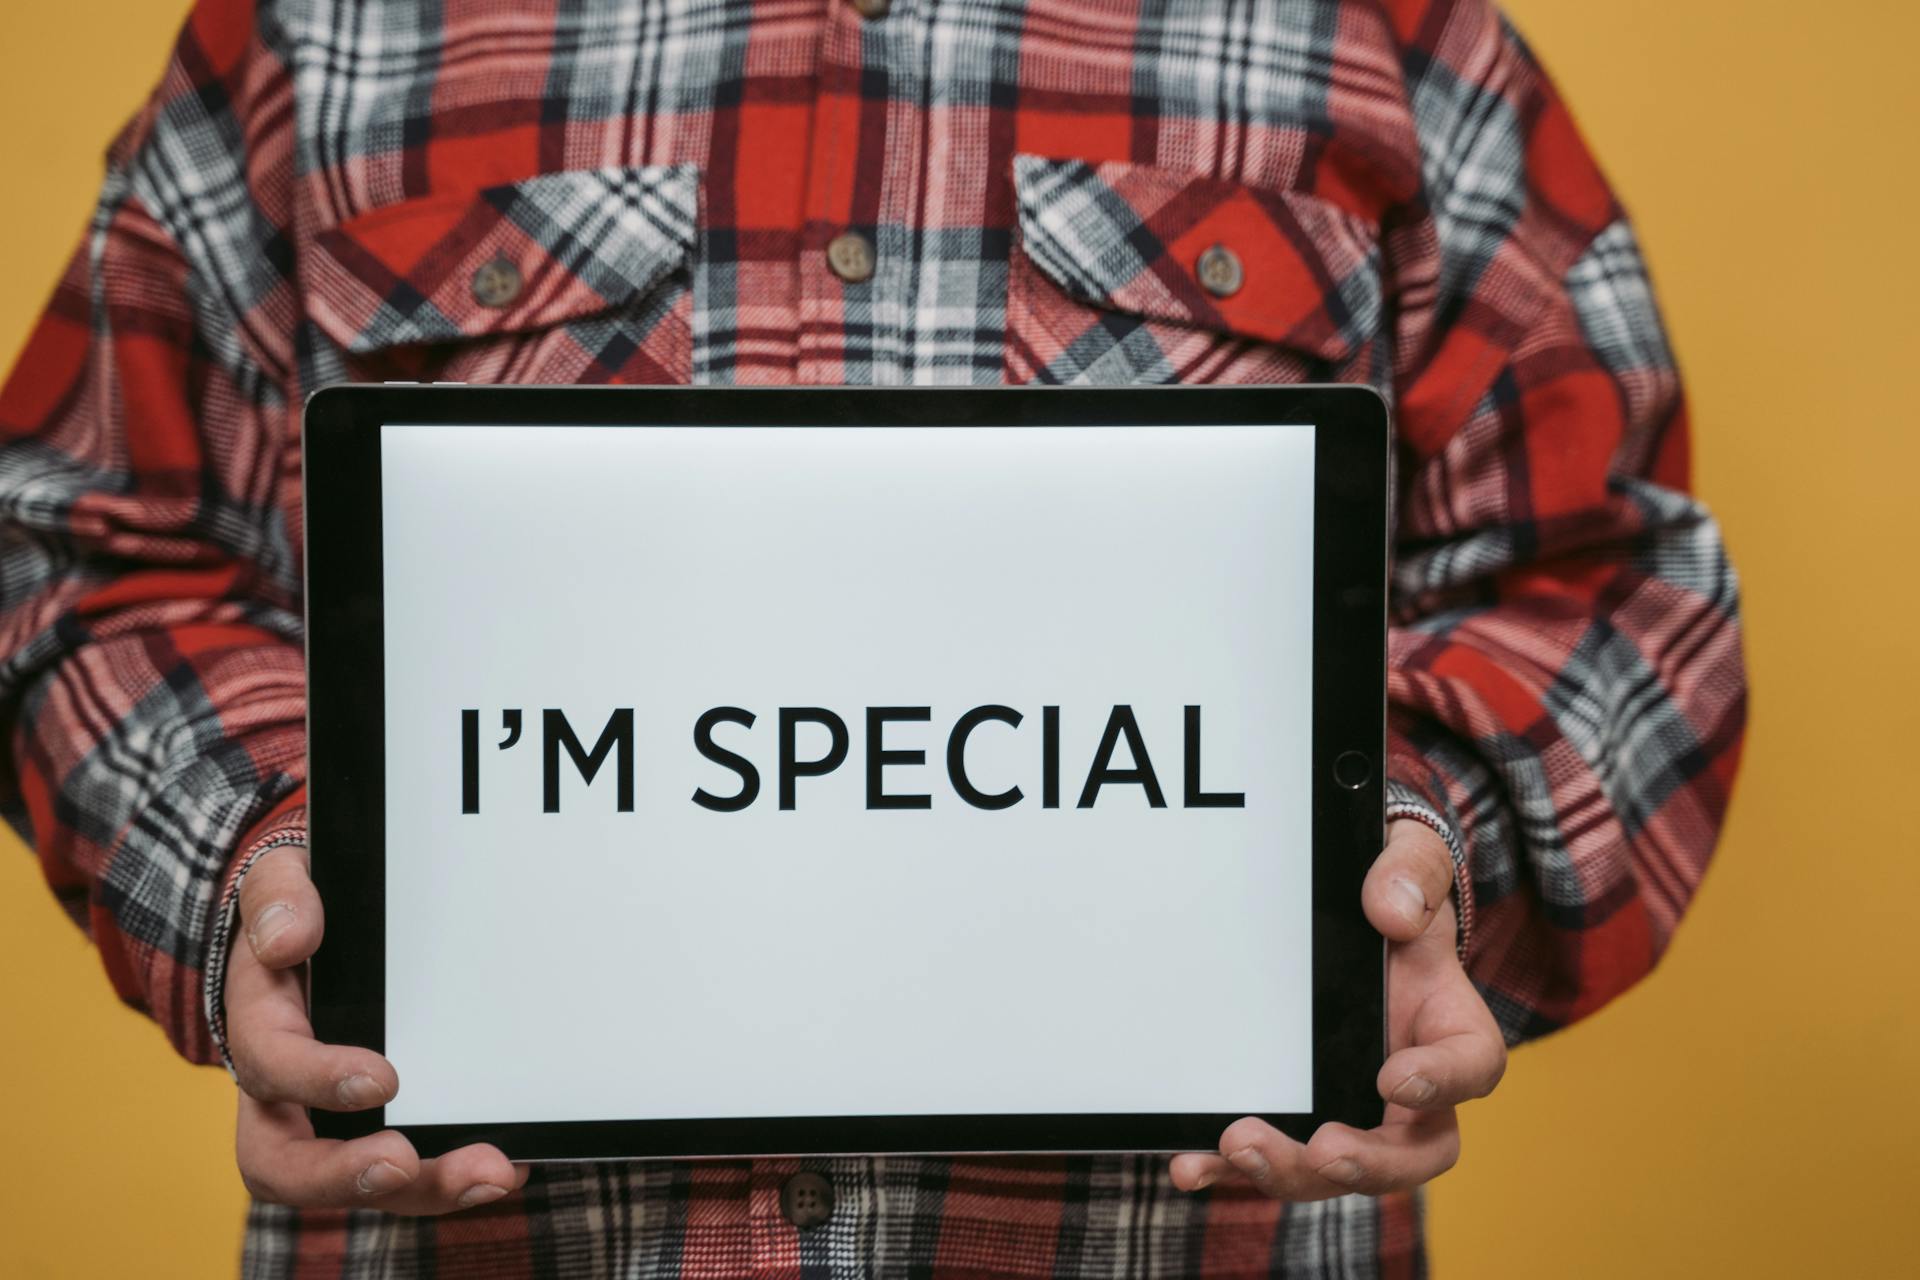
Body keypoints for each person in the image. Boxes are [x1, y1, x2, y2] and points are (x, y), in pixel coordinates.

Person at [0, 0, 1746, 1275]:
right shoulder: (321, 27)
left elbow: (1606, 576)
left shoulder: (1380, 29)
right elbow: (85, 548)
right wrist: (261, 864)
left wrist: (1411, 851)